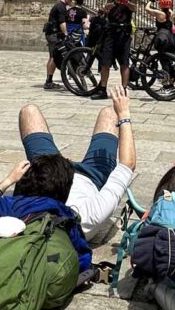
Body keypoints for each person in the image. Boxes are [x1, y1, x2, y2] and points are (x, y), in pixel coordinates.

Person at [17, 84, 136, 241]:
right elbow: (128, 164)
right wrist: (124, 114)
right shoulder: (89, 216)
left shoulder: (25, 214)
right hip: (93, 176)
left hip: (49, 174)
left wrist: (7, 182)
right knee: (110, 114)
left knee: (29, 111)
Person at [90, 0, 136, 100]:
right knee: (105, 62)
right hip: (111, 32)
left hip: (124, 32)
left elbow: (134, 8)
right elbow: (106, 7)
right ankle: (103, 88)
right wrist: (115, 2)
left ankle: (124, 89)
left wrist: (125, 1)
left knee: (124, 63)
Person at [43, 0, 77, 90]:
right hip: (53, 34)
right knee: (54, 56)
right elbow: (62, 22)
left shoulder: (61, 6)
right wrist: (66, 34)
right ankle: (48, 81)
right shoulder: (60, 7)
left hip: (53, 33)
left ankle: (49, 80)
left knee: (53, 56)